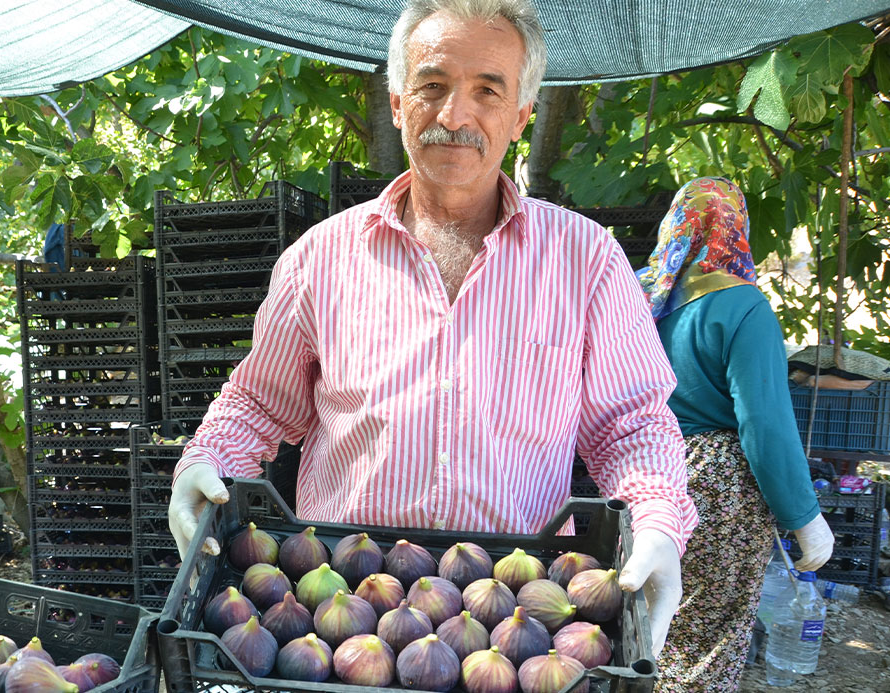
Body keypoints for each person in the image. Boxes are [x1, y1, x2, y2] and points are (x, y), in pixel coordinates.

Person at [168, 0, 699, 655]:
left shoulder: (586, 260)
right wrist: (206, 460)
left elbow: (633, 426)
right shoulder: (320, 257)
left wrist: (656, 523)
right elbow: (258, 400)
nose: (455, 116)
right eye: (433, 86)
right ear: (397, 102)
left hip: (510, 629)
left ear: (521, 115)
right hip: (339, 620)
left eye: (487, 90)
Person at [636, 177, 834, 690]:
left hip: (638, 471)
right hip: (717, 485)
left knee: (640, 623)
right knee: (706, 635)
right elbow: (764, 424)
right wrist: (804, 517)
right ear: (735, 231)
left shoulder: (640, 296)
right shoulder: (741, 305)